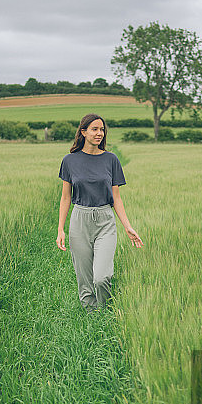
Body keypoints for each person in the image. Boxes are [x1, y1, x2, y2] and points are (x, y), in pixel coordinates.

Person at [56, 113, 143, 312]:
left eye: (102, 129)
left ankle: (104, 311)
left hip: (105, 220)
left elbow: (117, 198)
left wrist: (128, 227)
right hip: (79, 220)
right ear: (83, 132)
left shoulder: (111, 159)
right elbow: (65, 198)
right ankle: (92, 320)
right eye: (95, 129)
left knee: (102, 277)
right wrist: (61, 229)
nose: (99, 133)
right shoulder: (69, 161)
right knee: (85, 281)